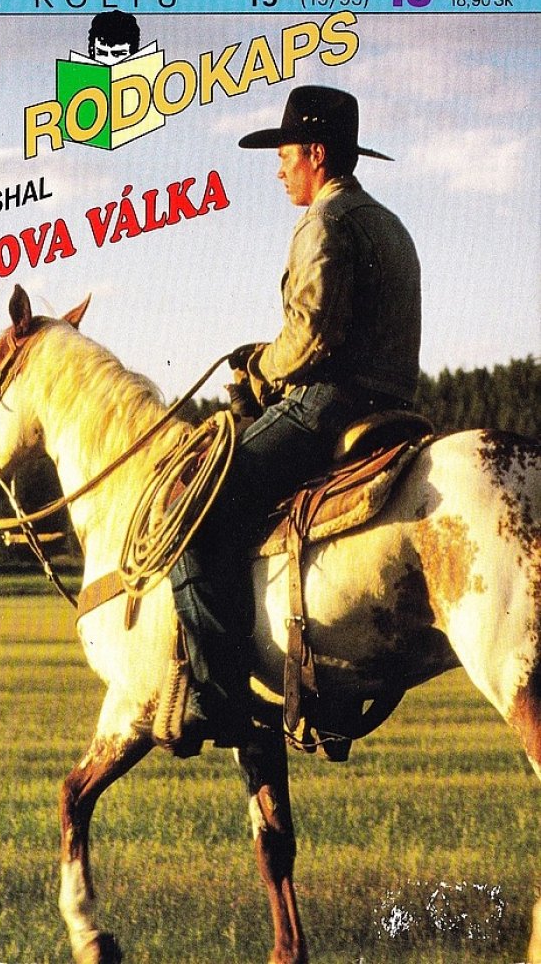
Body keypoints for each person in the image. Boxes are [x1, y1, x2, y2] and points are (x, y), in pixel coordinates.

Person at [168, 85, 422, 749]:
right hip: (396, 407)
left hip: (327, 406)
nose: (278, 170)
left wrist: (259, 366)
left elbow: (313, 336)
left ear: (314, 153)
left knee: (193, 514)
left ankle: (219, 701)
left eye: (283, 156)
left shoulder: (324, 222)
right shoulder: (388, 224)